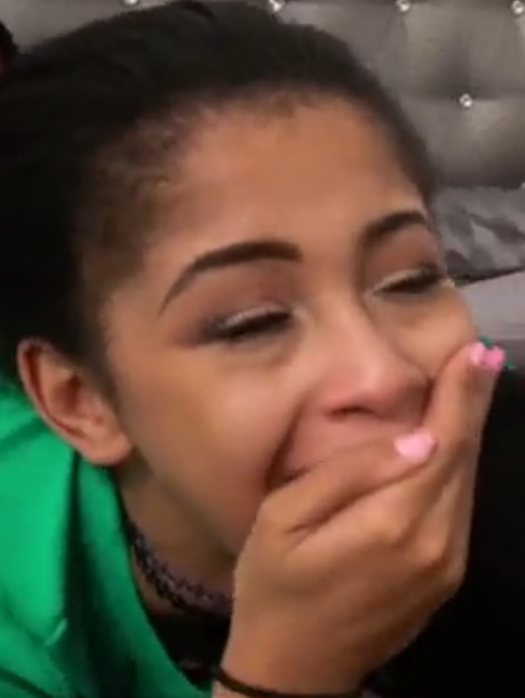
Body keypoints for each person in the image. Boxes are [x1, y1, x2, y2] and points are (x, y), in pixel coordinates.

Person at [0, 2, 523, 697]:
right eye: (252, 323)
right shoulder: (24, 611)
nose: (382, 375)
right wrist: (284, 675)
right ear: (81, 400)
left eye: (412, 278)